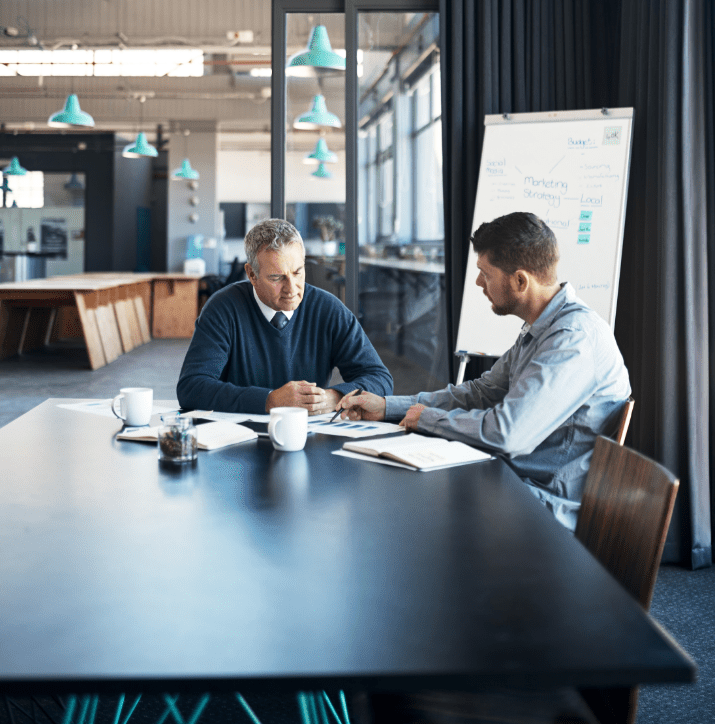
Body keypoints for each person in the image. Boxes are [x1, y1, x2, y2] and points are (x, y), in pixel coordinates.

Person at [337, 211, 631, 529]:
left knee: (405, 505)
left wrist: (427, 418)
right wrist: (388, 407)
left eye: (485, 273)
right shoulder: (543, 327)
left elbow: (507, 434)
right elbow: (482, 392)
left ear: (520, 280)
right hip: (513, 483)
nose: (478, 282)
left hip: (542, 509)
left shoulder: (574, 340)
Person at [177, 218, 393, 415]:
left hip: (305, 437)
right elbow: (191, 388)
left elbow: (380, 378)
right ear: (252, 274)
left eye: (298, 272)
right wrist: (269, 400)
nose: (292, 288)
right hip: (234, 440)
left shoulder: (329, 310)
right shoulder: (223, 308)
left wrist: (334, 397)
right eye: (277, 277)